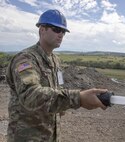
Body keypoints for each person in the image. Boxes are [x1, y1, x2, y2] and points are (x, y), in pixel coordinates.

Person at [6, 9, 107, 142]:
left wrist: (61, 104)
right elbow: (30, 95)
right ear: (42, 29)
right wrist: (78, 98)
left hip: (50, 135)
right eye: (56, 29)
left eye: (63, 31)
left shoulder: (55, 60)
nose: (61, 35)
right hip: (27, 136)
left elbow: (57, 87)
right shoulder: (25, 59)